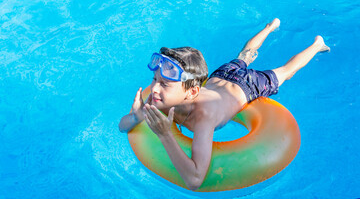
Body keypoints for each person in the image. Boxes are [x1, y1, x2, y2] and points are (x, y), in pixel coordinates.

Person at [118, 18, 330, 191]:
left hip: (246, 86)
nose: (154, 88)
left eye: (164, 84)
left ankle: (316, 44)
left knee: (285, 72)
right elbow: (122, 126)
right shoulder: (160, 98)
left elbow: (194, 180)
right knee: (244, 56)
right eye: (155, 80)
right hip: (221, 76)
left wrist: (165, 135)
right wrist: (136, 116)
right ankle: (270, 27)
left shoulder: (204, 118)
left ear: (191, 92)